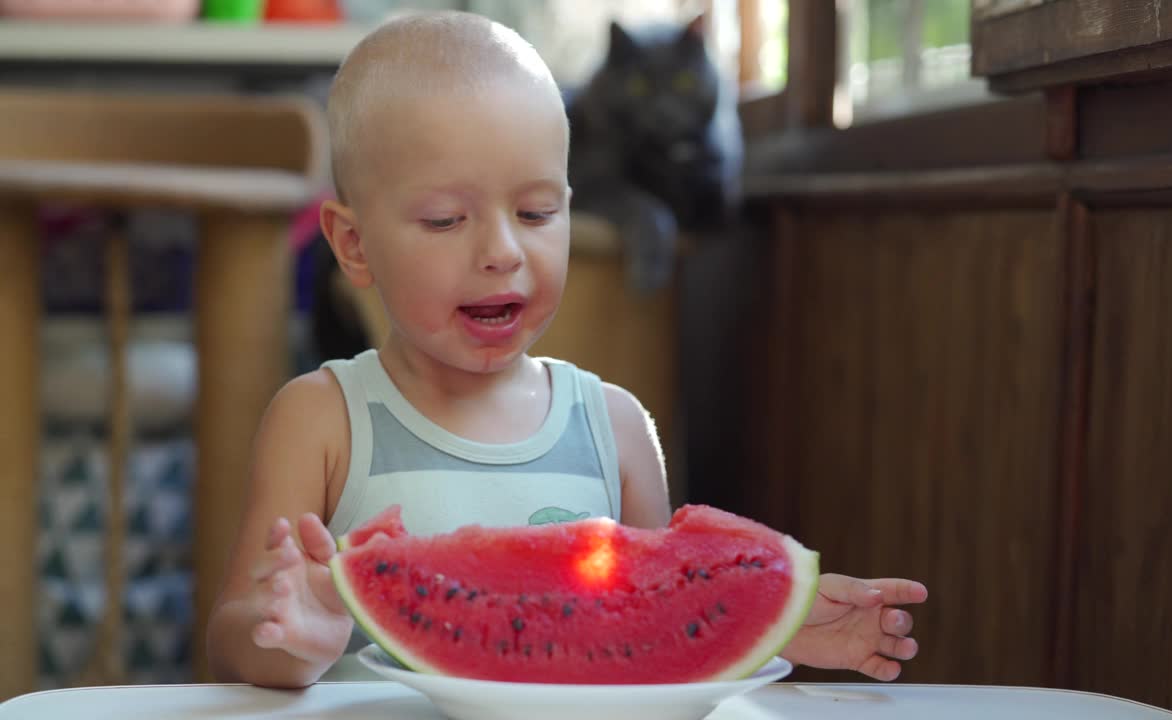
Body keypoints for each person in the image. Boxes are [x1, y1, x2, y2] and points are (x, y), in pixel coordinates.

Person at [205, 10, 927, 688]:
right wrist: (291, 638)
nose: (503, 251)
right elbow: (232, 634)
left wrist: (777, 619)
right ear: (354, 245)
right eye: (447, 219)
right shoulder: (321, 419)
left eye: (537, 212)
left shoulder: (614, 428)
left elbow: (666, 619)